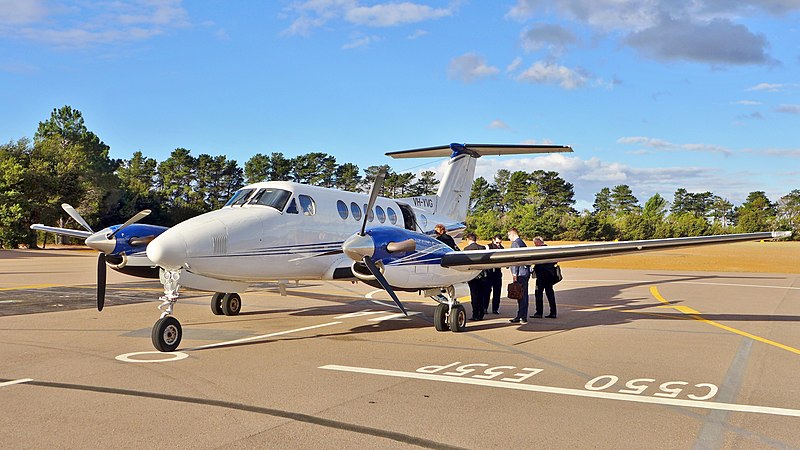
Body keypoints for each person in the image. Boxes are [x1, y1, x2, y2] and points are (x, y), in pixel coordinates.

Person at [463, 233, 488, 321]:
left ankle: (475, 314)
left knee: (474, 296)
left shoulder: (466, 249)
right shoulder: (482, 248)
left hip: (472, 277)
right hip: (482, 275)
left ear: (468, 239)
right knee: (481, 296)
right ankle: (481, 313)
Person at [507, 228, 530, 323]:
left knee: (521, 295)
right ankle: (521, 315)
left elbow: (515, 260)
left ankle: (522, 316)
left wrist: (514, 274)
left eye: (509, 236)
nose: (509, 238)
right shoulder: (522, 243)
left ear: (512, 235)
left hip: (520, 273)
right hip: (524, 272)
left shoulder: (515, 244)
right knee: (523, 295)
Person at [531, 236, 558, 319]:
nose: (535, 245)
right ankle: (553, 312)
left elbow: (538, 262)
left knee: (538, 293)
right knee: (550, 293)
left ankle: (539, 312)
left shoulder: (539, 250)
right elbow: (555, 261)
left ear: (539, 242)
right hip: (550, 275)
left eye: (535, 244)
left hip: (542, 275)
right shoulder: (550, 250)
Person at [485, 234, 504, 314]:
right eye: (497, 242)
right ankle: (484, 308)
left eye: (499, 243)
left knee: (497, 292)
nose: (498, 244)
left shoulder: (502, 248)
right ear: (493, 240)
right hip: (489, 273)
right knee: (486, 292)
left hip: (497, 273)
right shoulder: (488, 247)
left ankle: (495, 309)